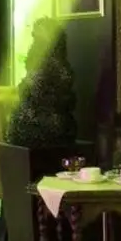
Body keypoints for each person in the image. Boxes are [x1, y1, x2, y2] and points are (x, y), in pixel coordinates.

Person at [6, 18, 78, 149]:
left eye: (36, 38)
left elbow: (34, 90)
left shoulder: (48, 64)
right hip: (51, 127)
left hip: (40, 127)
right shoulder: (59, 65)